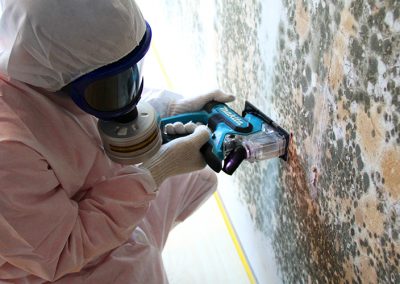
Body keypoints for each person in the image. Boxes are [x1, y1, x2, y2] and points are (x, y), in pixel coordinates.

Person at [0, 0, 234, 283]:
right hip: (47, 261)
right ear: (55, 79)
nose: (127, 93)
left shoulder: (46, 61)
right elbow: (62, 250)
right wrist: (156, 172)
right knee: (135, 269)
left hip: (87, 193)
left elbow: (97, 91)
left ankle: (125, 231)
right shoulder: (8, 149)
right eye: (111, 87)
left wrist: (168, 111)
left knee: (197, 179)